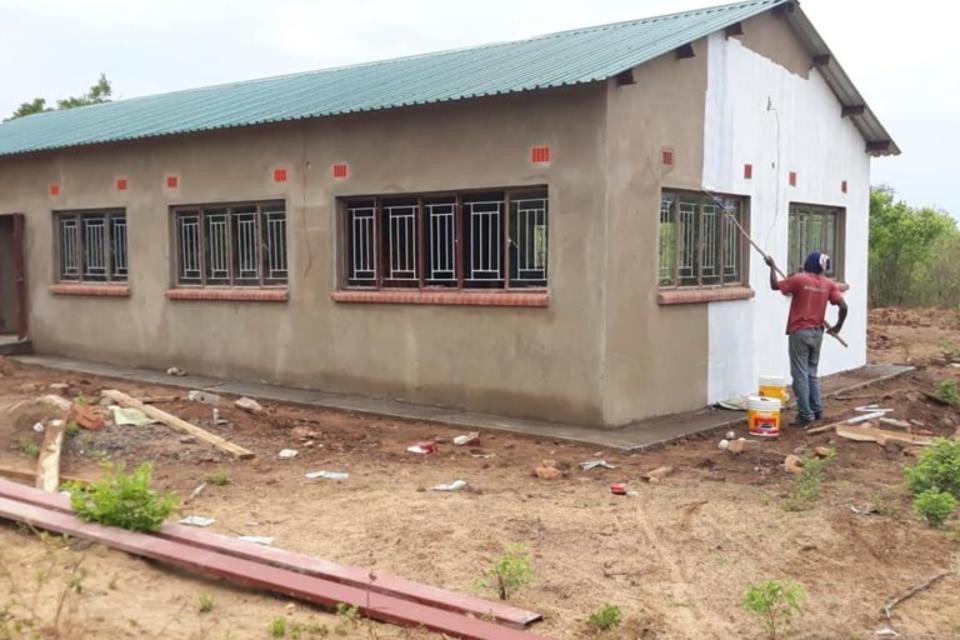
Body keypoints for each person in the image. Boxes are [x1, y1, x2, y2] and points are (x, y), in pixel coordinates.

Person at [766, 252, 848, 427]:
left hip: (800, 333)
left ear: (808, 264)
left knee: (800, 374)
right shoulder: (829, 284)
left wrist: (771, 266)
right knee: (811, 373)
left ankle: (805, 414)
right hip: (817, 334)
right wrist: (837, 327)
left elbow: (774, 285)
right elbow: (844, 306)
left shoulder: (799, 279)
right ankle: (817, 410)